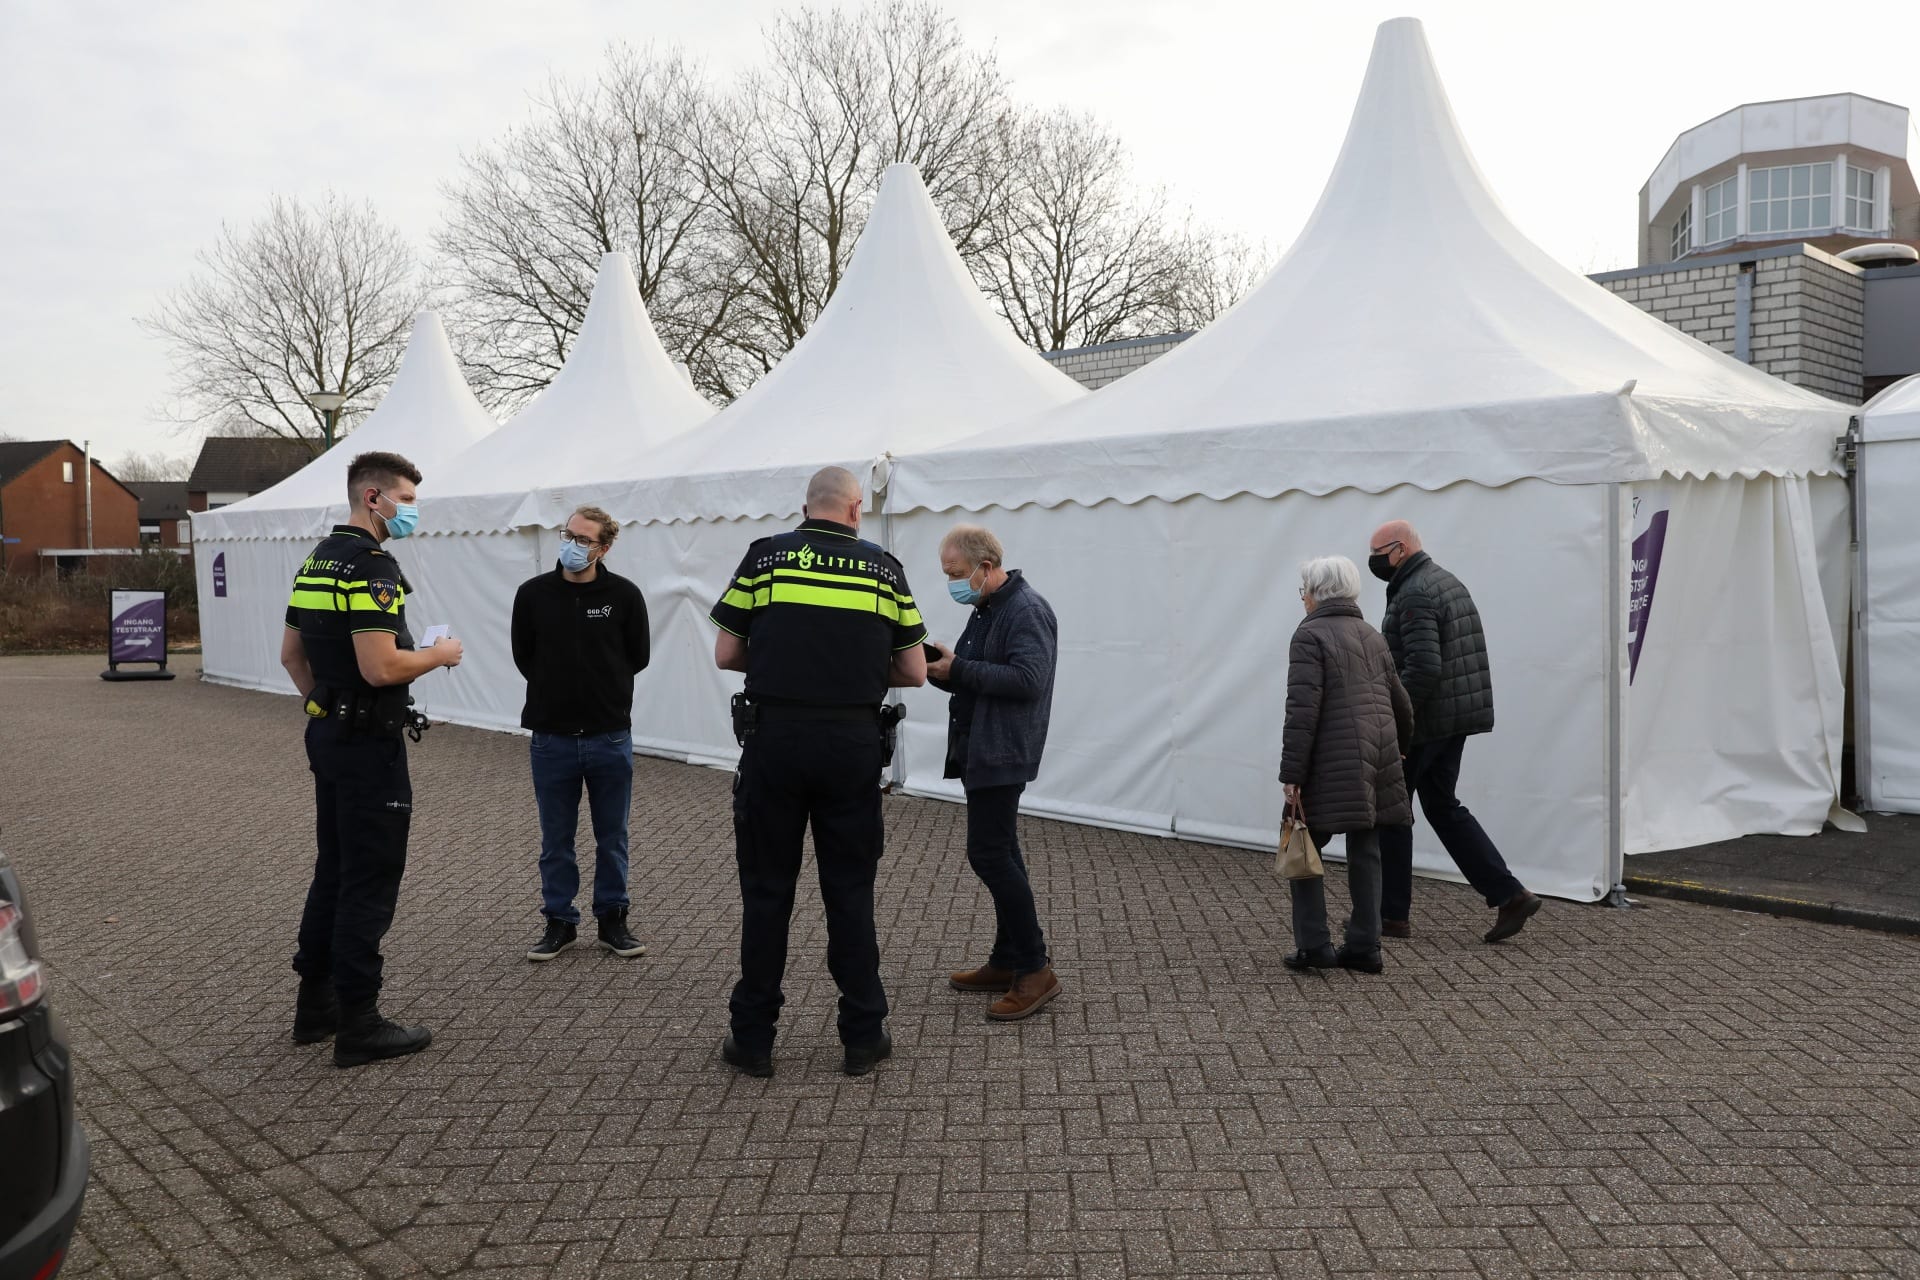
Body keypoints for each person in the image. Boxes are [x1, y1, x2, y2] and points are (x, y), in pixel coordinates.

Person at [708, 466, 928, 1078]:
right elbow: (912, 671)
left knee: (767, 892)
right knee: (850, 893)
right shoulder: (885, 568)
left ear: (806, 507)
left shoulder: (767, 558)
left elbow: (727, 652)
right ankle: (862, 1035)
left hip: (774, 740)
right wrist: (850, 675)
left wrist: (787, 667)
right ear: (857, 509)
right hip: (852, 744)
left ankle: (753, 1040)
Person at [279, 451, 462, 1068]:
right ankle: (360, 1022)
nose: (411, 510)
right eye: (405, 499)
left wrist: (325, 710)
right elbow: (380, 665)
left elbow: (291, 656)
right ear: (374, 499)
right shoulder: (371, 566)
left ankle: (316, 1007)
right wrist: (439, 654)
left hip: (329, 736)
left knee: (333, 867)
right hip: (367, 747)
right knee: (370, 876)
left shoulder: (318, 560)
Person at [1367, 520, 1542, 943]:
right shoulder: (1441, 580)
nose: (1373, 561)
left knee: (1391, 814)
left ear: (1402, 548)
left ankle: (1391, 916)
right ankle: (1508, 893)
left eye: (1379, 552)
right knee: (1442, 806)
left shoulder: (1414, 594)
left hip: (1427, 722)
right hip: (1452, 718)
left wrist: (1398, 722)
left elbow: (1424, 667)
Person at [925, 525, 1060, 1021]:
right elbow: (977, 675)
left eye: (956, 574)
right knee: (1003, 852)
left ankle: (1034, 968)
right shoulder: (986, 607)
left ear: (985, 567)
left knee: (988, 854)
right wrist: (941, 670)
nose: (952, 584)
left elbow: (1027, 679)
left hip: (1003, 750)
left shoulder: (1026, 609)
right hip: (982, 746)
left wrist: (958, 670)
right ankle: (1009, 959)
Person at [512, 505, 651, 963]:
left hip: (609, 736)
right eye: (567, 534)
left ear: (604, 548)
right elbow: (524, 655)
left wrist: (601, 690)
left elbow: (638, 655)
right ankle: (559, 921)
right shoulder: (533, 594)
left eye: (583, 540)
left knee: (613, 836)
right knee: (556, 838)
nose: (571, 545)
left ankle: (612, 919)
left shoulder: (625, 596)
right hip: (551, 738)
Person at [1279, 556, 1413, 974]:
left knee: (1303, 846)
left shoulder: (1309, 636)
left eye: (1304, 590)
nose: (1302, 598)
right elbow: (1402, 704)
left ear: (1317, 594)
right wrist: (1400, 750)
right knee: (1366, 848)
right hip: (1378, 758)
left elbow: (1303, 711)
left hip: (1330, 761)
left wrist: (1292, 776)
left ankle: (1314, 944)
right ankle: (1365, 946)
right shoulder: (1372, 634)